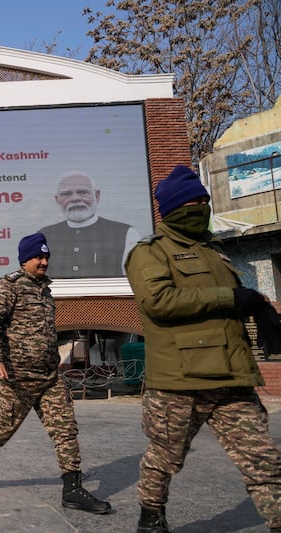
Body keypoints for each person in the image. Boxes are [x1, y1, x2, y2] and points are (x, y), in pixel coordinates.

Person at [125, 165, 281, 533]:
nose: (200, 207)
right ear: (173, 208)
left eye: (204, 201)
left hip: (231, 377)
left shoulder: (215, 252)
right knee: (165, 457)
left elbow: (231, 308)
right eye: (192, 202)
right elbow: (159, 301)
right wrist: (230, 296)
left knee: (263, 459)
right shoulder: (150, 253)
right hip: (179, 382)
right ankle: (151, 516)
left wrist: (259, 307)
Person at [0, 232, 112, 514]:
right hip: (18, 378)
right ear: (25, 259)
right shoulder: (10, 287)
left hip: (48, 377)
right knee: (2, 430)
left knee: (65, 429)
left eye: (46, 257)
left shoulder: (45, 289)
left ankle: (73, 489)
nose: (44, 262)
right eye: (38, 257)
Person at [39, 171, 140, 277]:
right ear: (57, 200)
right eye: (66, 194)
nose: (75, 198)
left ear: (97, 195)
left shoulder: (126, 233)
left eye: (82, 192)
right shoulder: (44, 236)